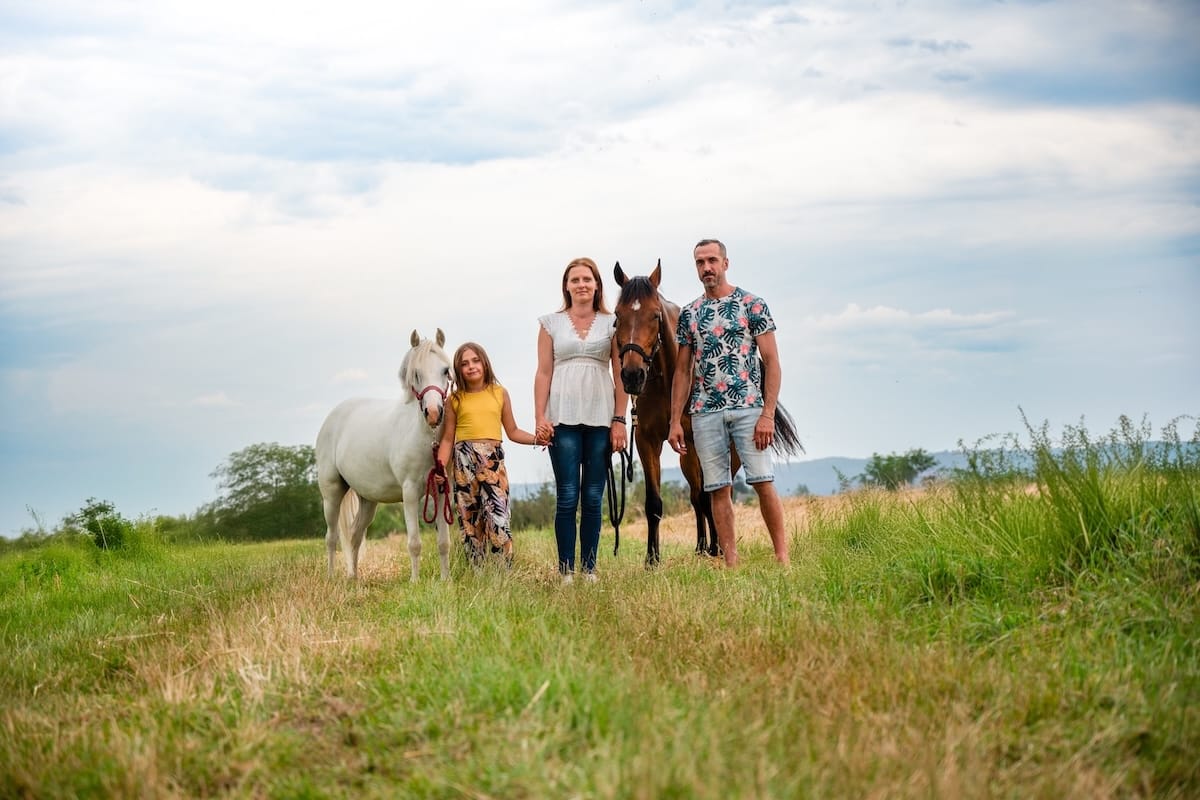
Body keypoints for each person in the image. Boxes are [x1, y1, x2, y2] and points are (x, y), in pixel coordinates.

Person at [667, 239, 788, 567]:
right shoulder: (690, 313)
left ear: (725, 263)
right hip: (705, 413)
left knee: (763, 481)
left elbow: (772, 361)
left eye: (712, 261)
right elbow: (682, 370)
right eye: (700, 263)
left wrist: (768, 415)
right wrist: (675, 420)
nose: (706, 268)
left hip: (749, 408)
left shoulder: (752, 304)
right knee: (718, 488)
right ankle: (731, 561)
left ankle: (782, 558)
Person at [534, 257, 629, 583]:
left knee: (592, 496)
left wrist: (620, 420)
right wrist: (540, 417)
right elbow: (544, 372)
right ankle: (566, 573)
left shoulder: (612, 323)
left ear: (597, 284)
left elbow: (619, 374)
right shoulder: (550, 323)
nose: (581, 285)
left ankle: (589, 570)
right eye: (575, 280)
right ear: (567, 286)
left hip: (601, 417)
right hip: (562, 418)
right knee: (568, 496)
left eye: (587, 279)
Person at [436, 342, 542, 567]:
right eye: (464, 364)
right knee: (470, 519)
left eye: (475, 361)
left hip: (492, 462)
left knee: (498, 515)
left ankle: (503, 570)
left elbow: (512, 431)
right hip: (464, 463)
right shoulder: (454, 400)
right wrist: (440, 467)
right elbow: (447, 438)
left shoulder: (499, 393)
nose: (471, 367)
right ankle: (478, 572)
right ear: (458, 369)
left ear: (484, 362)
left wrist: (536, 439)